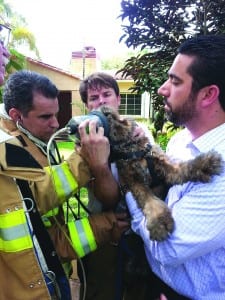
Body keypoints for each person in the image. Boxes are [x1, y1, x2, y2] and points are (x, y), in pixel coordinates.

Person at [0, 68, 129, 299]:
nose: (55, 123)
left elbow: (50, 230)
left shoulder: (33, 142)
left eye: (56, 114)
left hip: (52, 272)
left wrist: (106, 224)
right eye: (45, 117)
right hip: (28, 286)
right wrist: (87, 159)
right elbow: (38, 203)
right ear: (16, 115)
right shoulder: (7, 152)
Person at [124, 35, 225, 299]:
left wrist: (129, 183)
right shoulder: (181, 140)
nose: (162, 88)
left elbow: (167, 249)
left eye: (175, 81)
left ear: (208, 95)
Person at [77, 72, 155, 300]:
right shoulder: (83, 141)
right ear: (87, 106)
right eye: (93, 97)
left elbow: (154, 180)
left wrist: (141, 146)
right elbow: (108, 199)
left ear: (118, 99)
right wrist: (99, 164)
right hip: (105, 232)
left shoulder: (139, 131)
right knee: (103, 290)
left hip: (142, 233)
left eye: (106, 94)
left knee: (139, 291)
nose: (101, 101)